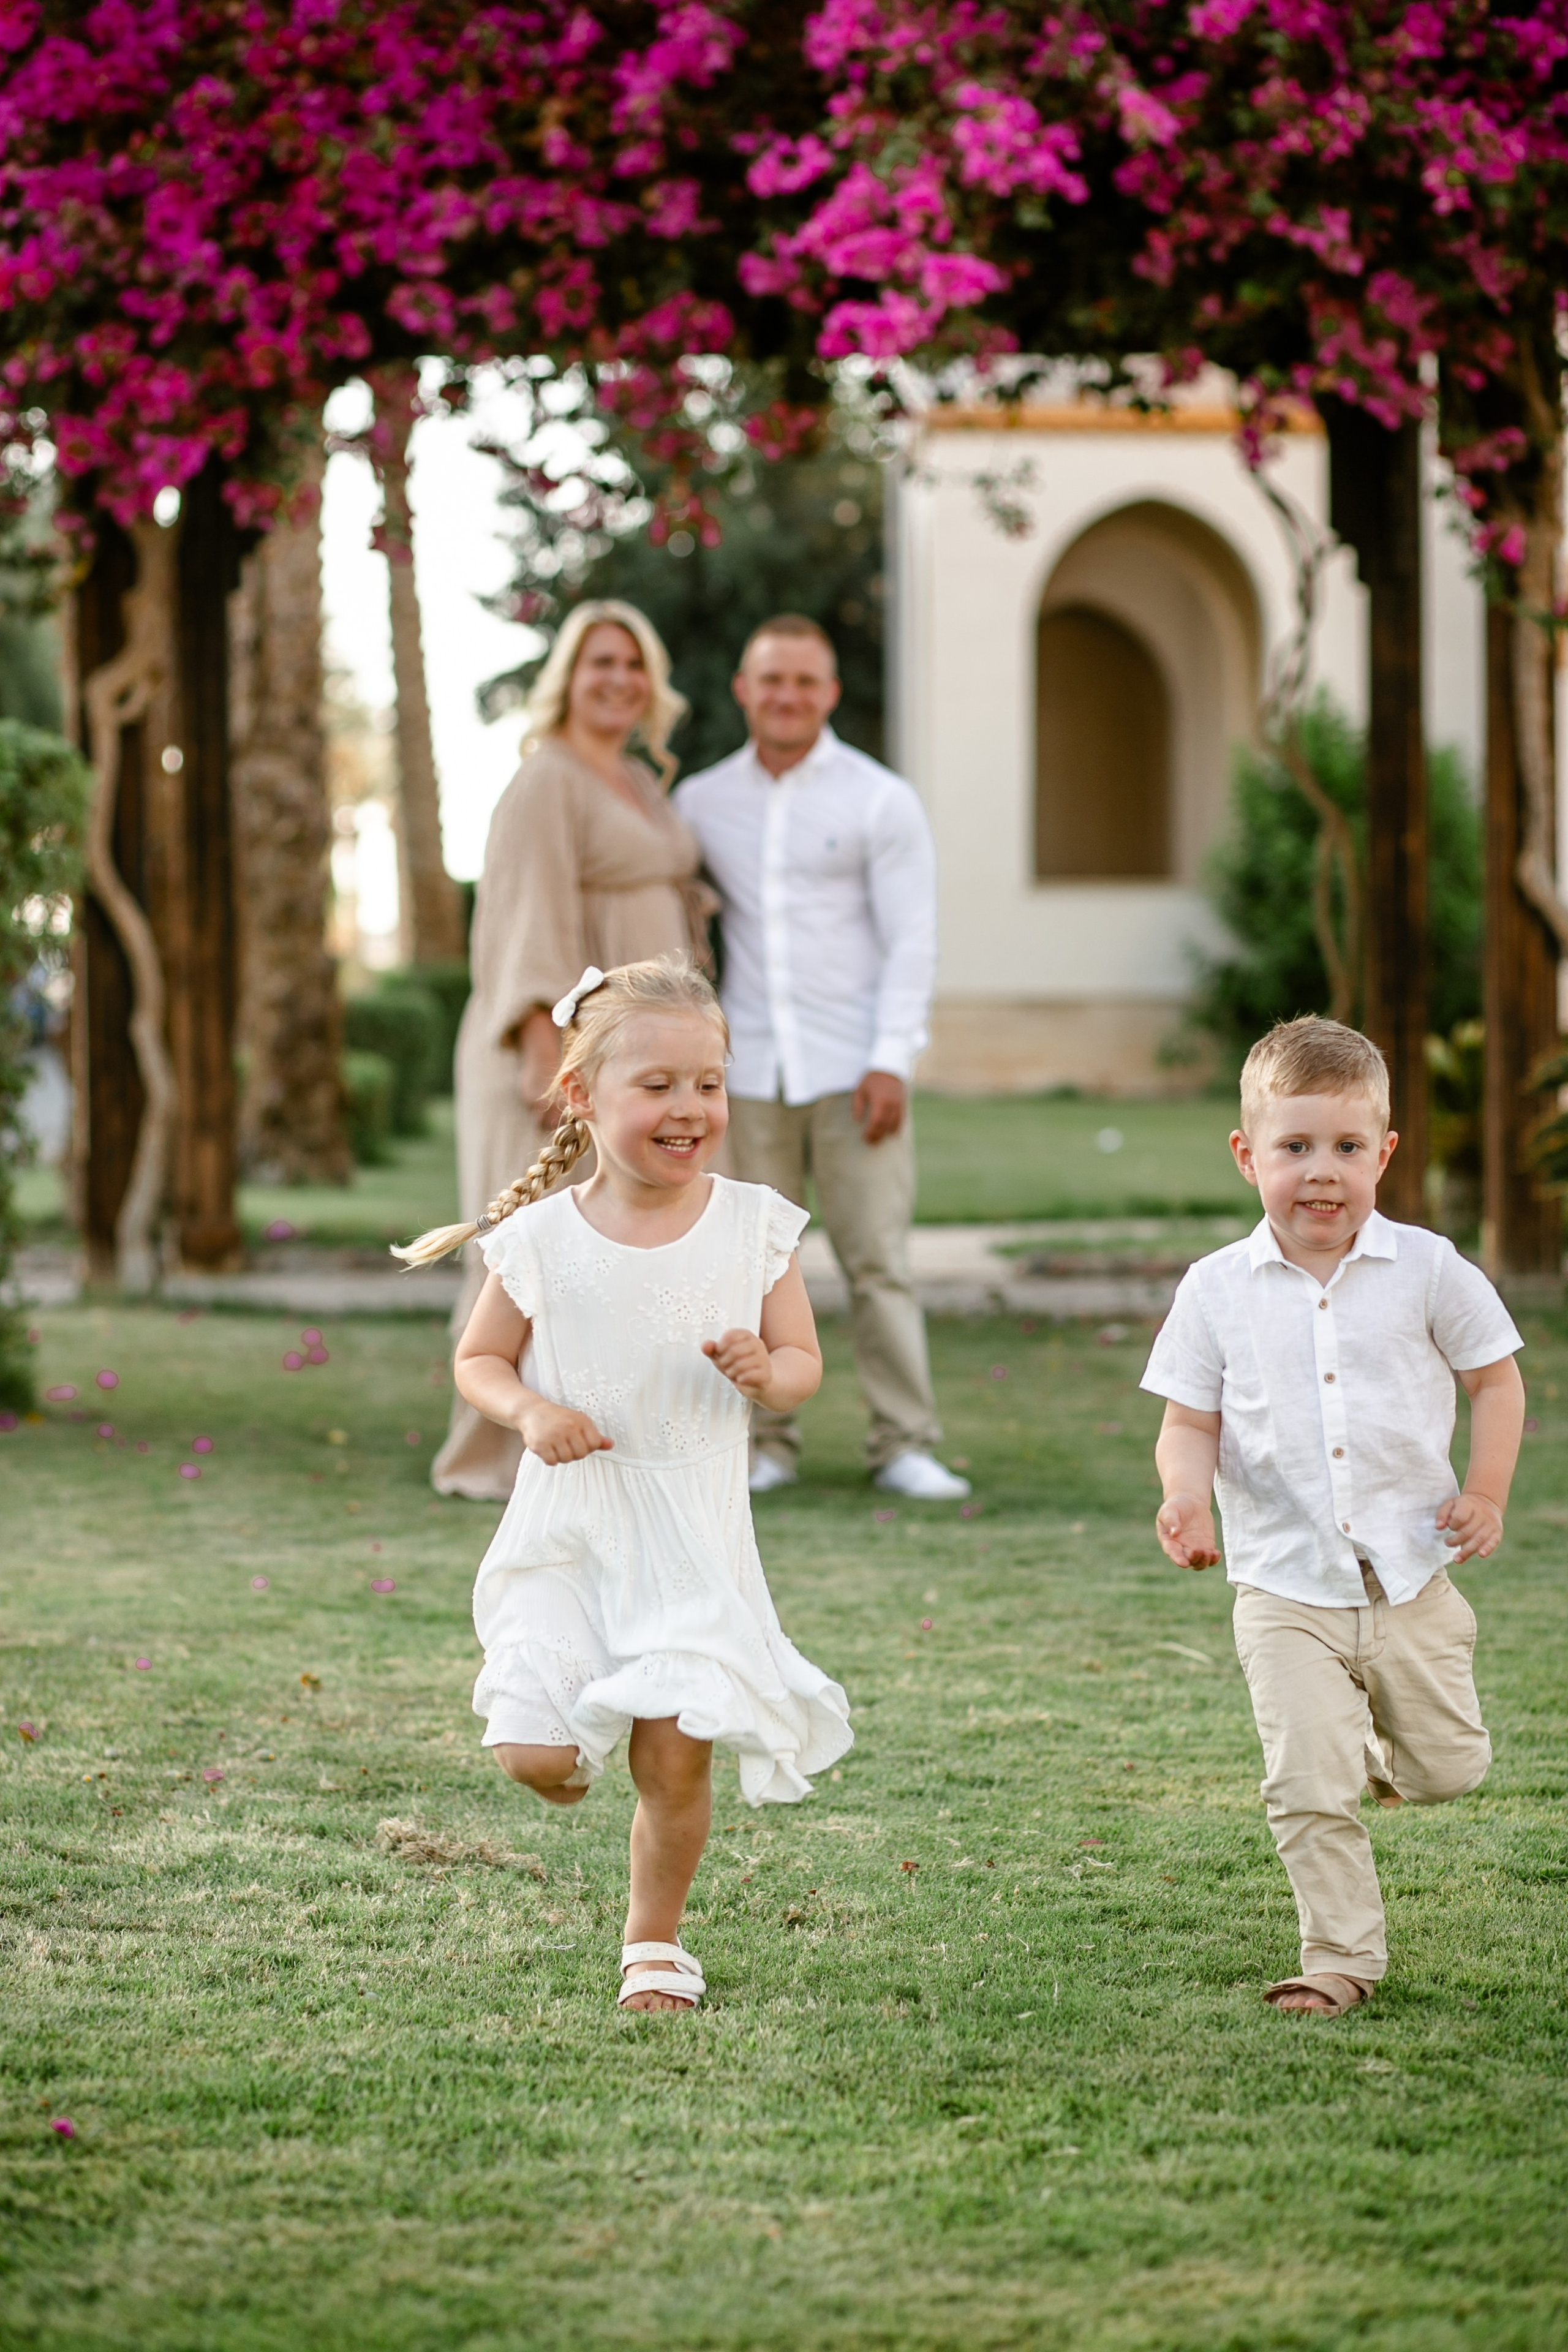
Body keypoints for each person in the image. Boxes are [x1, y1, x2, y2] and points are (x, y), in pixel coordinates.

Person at [393, 957, 853, 2013]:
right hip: (573, 1529)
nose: (691, 1109)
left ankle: (654, 1943)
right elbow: (480, 1362)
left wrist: (765, 1374)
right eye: (659, 1085)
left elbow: (803, 1368)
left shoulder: (755, 1226)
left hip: (691, 1537)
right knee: (531, 1754)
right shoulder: (541, 1241)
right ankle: (569, 1739)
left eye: (710, 1082)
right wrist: (530, 1414)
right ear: (582, 1094)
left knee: (676, 1763)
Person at [1141, 1016, 1525, 2020]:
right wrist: (1184, 1494)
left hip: (1409, 1577)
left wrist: (1483, 1492)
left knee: (1452, 1767)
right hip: (1281, 1583)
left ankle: (1379, 1759)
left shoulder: (1431, 1269)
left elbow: (1497, 1381)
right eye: (1295, 1148)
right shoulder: (1215, 1290)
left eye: (1348, 1148)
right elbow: (1188, 1421)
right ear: (1247, 1155)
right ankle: (1339, 1959)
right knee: (1305, 1786)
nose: (1323, 1173)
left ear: (1385, 1153)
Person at [673, 614, 969, 1501]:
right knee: (747, 1267)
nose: (788, 696)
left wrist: (892, 1060)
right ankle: (766, 1446)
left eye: (805, 681)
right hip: (748, 1073)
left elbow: (912, 939)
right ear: (743, 689)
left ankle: (904, 1442)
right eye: (772, 680)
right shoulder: (701, 801)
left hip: (853, 1071)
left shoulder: (880, 799)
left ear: (831, 693)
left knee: (877, 1261)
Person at [434, 600, 715, 1502]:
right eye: (599, 661)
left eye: (632, 663)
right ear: (567, 677)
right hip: (561, 1063)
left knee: (623, 1251)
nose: (618, 679)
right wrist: (544, 1056)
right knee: (528, 1254)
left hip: (639, 1062)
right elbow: (526, 918)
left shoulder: (638, 778)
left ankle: (615, 1442)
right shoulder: (546, 779)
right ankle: (495, 1455)